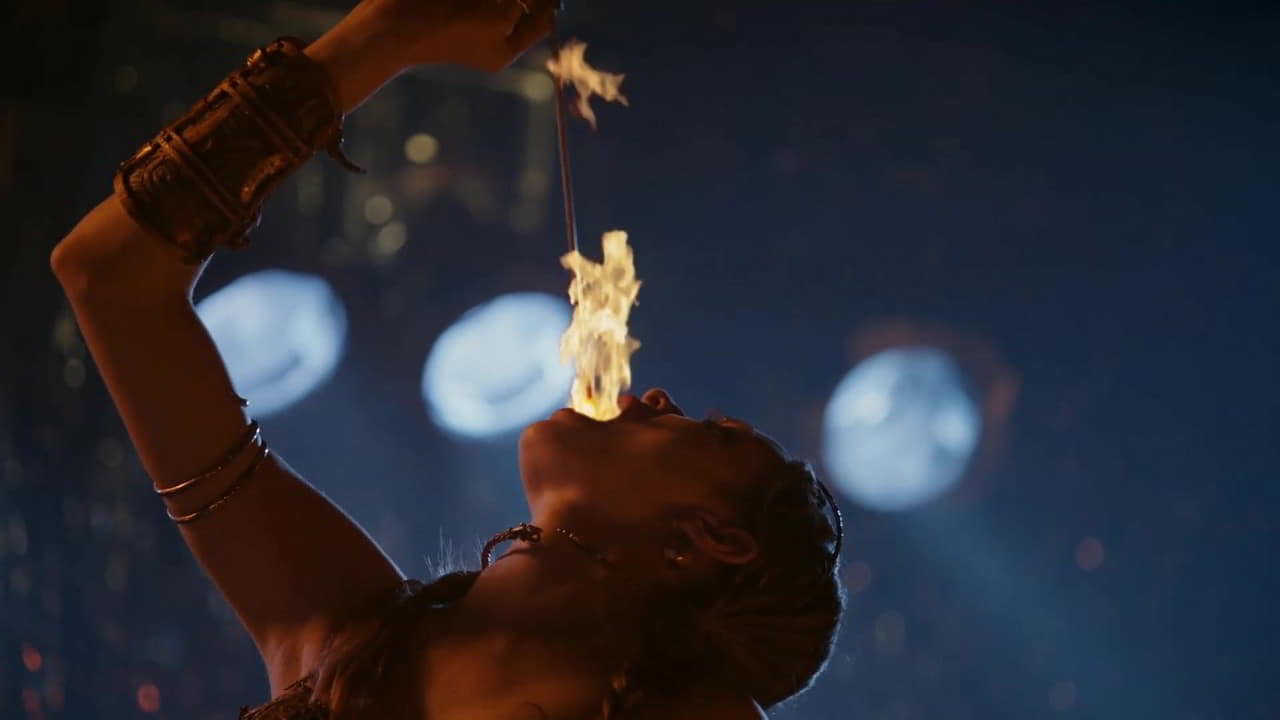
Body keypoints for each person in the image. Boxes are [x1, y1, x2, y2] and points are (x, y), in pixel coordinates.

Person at [49, 1, 846, 718]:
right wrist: (382, 36)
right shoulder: (343, 636)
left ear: (714, 539)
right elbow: (106, 274)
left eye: (712, 433)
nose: (659, 395)